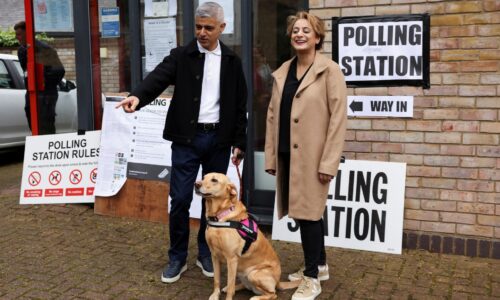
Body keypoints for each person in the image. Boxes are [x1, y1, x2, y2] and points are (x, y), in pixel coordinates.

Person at [116, 2, 247, 284]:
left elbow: (239, 104)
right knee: (181, 200)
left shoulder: (232, 62)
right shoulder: (181, 55)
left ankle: (204, 252)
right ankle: (177, 257)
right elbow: (158, 78)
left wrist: (240, 141)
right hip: (186, 140)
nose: (202, 32)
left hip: (219, 140)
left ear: (221, 28)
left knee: (212, 202)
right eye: (198, 27)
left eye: (208, 28)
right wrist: (137, 97)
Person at [264, 11, 347, 300]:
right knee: (302, 213)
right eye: (295, 30)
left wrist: (328, 162)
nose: (299, 34)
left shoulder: (330, 71)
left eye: (306, 30)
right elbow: (272, 115)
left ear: (317, 37)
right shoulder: (283, 71)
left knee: (310, 215)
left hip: (313, 157)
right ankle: (319, 264)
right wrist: (272, 157)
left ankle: (312, 278)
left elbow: (338, 119)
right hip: (289, 154)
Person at [14, 21, 65, 135]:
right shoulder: (21, 50)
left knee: (46, 125)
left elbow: (59, 71)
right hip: (31, 92)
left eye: (19, 34)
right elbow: (26, 70)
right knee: (32, 119)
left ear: (29, 33)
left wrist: (42, 80)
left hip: (46, 94)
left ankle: (47, 148)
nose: (17, 37)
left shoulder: (45, 49)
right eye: (16, 34)